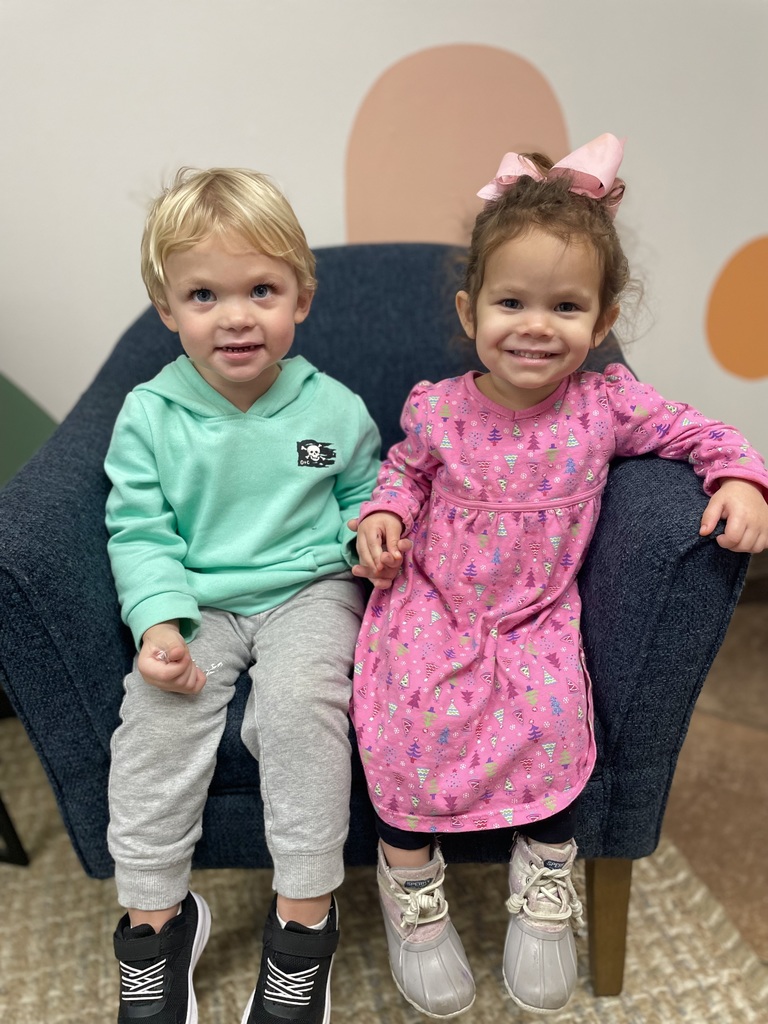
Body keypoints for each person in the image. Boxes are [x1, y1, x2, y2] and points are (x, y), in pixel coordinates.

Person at [349, 134, 768, 1017]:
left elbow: (701, 433)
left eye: (566, 306)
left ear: (603, 320)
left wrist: (739, 476)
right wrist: (383, 516)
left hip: (536, 613)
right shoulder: (438, 405)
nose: (536, 326)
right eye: (511, 302)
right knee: (401, 713)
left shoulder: (607, 404)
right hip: (435, 601)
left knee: (551, 721)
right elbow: (404, 471)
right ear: (470, 312)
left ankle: (546, 878)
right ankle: (409, 882)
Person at [104, 167, 383, 1024]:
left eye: (261, 289)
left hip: (309, 591)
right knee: (153, 720)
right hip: (199, 602)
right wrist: (158, 623)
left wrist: (370, 535)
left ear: (300, 298)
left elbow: (361, 496)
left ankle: (304, 920)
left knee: (300, 709)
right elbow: (139, 531)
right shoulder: (149, 415)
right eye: (203, 295)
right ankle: (156, 922)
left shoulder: (332, 408)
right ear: (167, 307)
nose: (234, 316)